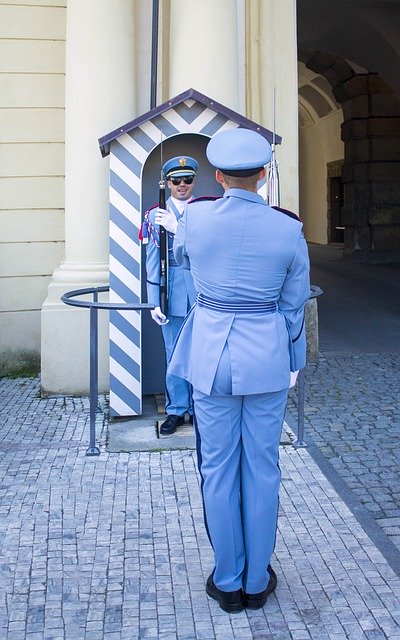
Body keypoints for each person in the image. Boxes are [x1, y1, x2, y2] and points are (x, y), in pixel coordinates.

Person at [167, 128, 311, 613]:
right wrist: (293, 363)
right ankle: (256, 577)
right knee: (263, 468)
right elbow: (294, 310)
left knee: (218, 468)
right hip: (267, 357)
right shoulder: (289, 230)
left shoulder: (196, 220)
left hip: (210, 357)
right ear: (265, 175)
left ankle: (228, 579)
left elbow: (186, 262)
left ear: (218, 175)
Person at [140, 155, 199, 435]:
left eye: (187, 180)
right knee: (174, 352)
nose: (182, 185)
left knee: (201, 352)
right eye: (176, 180)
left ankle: (200, 407)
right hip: (172, 288)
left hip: (201, 288)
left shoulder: (204, 212)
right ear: (169, 183)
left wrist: (180, 230)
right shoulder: (154, 215)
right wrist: (154, 300)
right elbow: (153, 259)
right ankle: (177, 408)